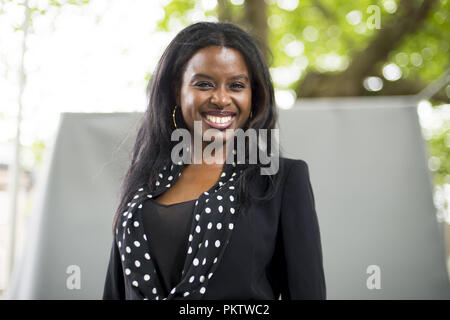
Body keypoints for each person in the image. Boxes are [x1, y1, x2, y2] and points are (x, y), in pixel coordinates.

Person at [102, 21, 326, 300]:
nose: (221, 98)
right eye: (204, 84)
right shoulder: (143, 184)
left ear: (253, 95)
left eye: (236, 85)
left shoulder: (281, 180)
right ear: (176, 90)